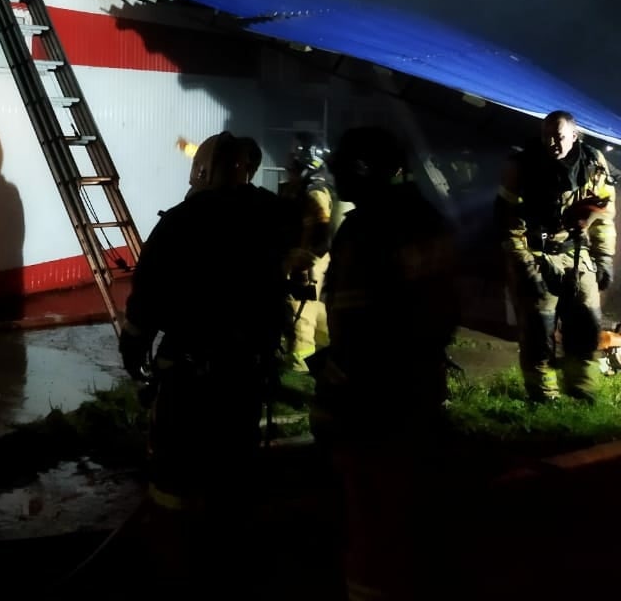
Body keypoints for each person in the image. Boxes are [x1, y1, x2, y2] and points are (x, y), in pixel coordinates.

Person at [309, 126, 458, 600]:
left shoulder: (367, 229)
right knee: (409, 514)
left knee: (371, 520)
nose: (335, 175)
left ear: (369, 169)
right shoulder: (428, 218)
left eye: (345, 167)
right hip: (420, 389)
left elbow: (360, 327)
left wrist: (333, 395)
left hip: (371, 402)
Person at [120, 131, 298, 518]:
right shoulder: (270, 218)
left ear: (200, 172)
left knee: (176, 473)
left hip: (190, 374)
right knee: (233, 464)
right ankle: (227, 549)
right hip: (247, 371)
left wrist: (132, 348)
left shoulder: (181, 222)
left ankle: (177, 550)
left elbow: (148, 295)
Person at [495, 110, 616, 401]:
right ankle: (543, 396)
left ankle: (581, 390)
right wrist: (524, 265)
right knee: (538, 331)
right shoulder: (522, 166)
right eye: (547, 136)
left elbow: (604, 216)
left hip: (577, 256)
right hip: (536, 256)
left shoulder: (592, 163)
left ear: (574, 136)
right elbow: (507, 220)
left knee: (585, 327)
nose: (553, 142)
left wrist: (604, 259)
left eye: (559, 136)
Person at [278, 132, 339, 372]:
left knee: (299, 312)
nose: (288, 165)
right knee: (317, 312)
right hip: (308, 260)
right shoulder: (304, 190)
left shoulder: (315, 193)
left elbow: (320, 236)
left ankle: (299, 365)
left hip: (308, 262)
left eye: (294, 160)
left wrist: (301, 264)